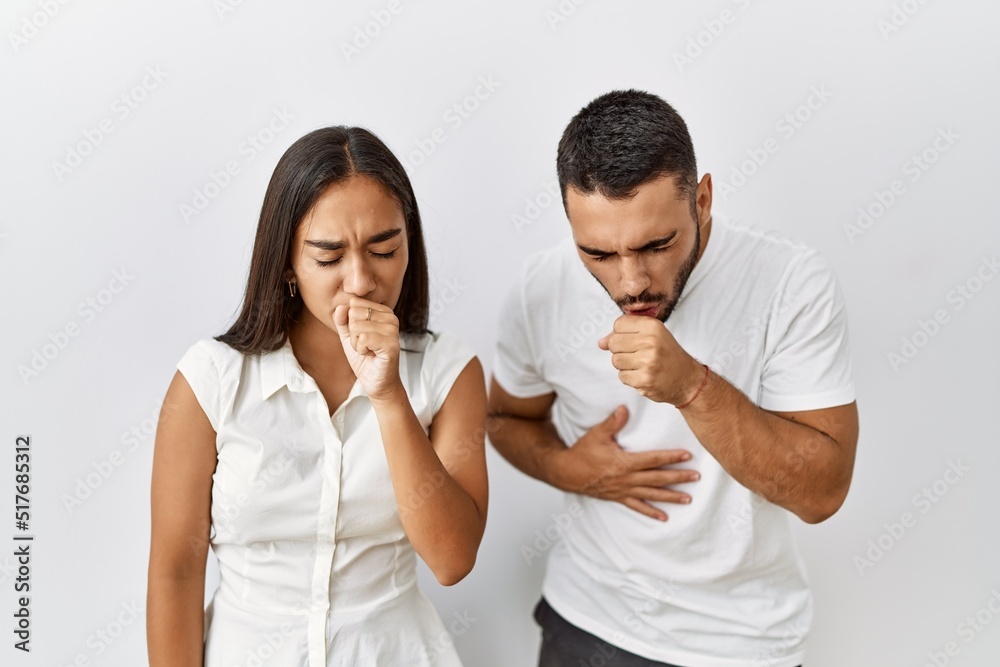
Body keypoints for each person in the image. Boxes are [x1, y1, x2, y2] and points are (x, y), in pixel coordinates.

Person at [488, 89, 859, 667]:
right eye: (599, 254)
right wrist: (568, 470)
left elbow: (823, 492)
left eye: (656, 245)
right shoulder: (542, 288)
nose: (631, 282)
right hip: (586, 624)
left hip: (740, 643)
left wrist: (691, 387)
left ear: (703, 199)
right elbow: (504, 416)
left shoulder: (790, 282)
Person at [146, 126, 488, 666]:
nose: (360, 281)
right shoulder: (210, 380)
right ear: (286, 264)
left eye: (384, 249)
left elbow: (452, 560)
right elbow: (175, 570)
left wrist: (389, 397)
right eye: (329, 258)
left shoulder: (449, 372)